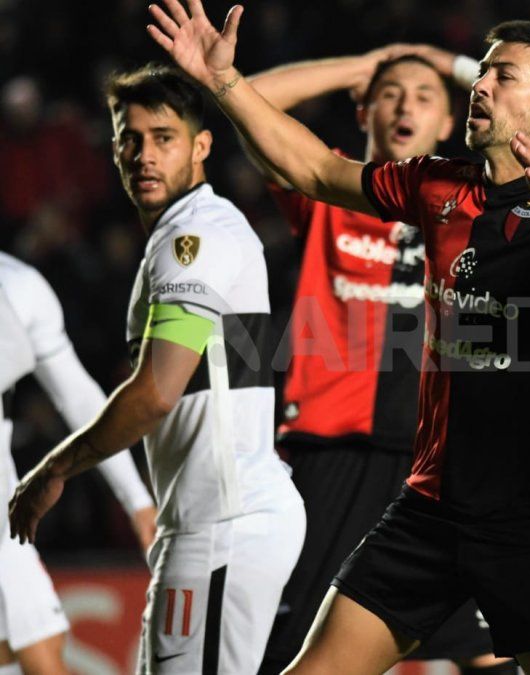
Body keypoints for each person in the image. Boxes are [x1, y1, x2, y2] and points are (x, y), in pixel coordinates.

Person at [147, 2, 530, 673]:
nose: (481, 86)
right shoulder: (438, 187)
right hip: (429, 508)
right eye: (481, 74)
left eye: (502, 75)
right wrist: (224, 82)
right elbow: (317, 170)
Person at [8, 64, 306, 674]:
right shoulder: (191, 233)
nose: (143, 154)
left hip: (224, 527)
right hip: (213, 524)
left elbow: (155, 394)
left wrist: (56, 468)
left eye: (163, 137)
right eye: (130, 137)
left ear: (201, 146)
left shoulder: (193, 237)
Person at [244, 45, 530, 675]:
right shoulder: (326, 188)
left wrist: (455, 64)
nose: (406, 105)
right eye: (390, 94)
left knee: (488, 651)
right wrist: (365, 65)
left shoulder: (471, 197)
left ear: (447, 121)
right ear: (364, 110)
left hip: (439, 463)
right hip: (334, 457)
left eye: (424, 96)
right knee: (300, 651)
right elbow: (248, 100)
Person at [0, 252, 156, 675]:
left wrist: (137, 501)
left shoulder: (19, 290)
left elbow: (80, 401)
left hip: (2, 525)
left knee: (36, 651)